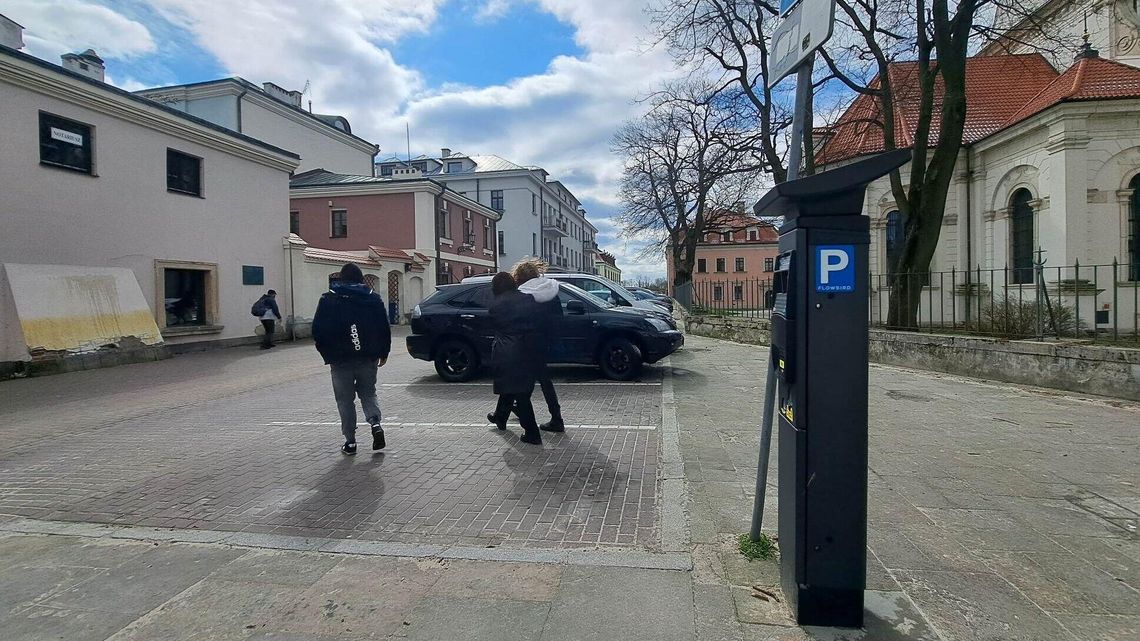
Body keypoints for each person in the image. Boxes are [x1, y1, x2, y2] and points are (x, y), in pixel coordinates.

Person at [312, 264, 391, 455]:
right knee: (368, 393)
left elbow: (318, 330)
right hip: (368, 357)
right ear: (361, 279)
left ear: (341, 279)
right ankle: (375, 423)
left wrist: (327, 353)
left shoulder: (328, 299)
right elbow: (383, 327)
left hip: (340, 360)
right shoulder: (373, 299)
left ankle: (350, 442)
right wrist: (384, 352)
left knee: (345, 401)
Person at [486, 272, 544, 445]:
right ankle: (500, 417)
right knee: (514, 388)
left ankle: (532, 432)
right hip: (530, 350)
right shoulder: (528, 299)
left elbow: (494, 326)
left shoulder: (495, 306)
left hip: (508, 352)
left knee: (519, 393)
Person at [511, 259, 565, 432]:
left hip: (528, 342)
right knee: (541, 378)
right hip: (546, 342)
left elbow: (519, 321)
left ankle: (553, 419)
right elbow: (559, 318)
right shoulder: (551, 291)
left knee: (531, 379)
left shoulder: (523, 295)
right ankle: (555, 417)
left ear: (519, 277)